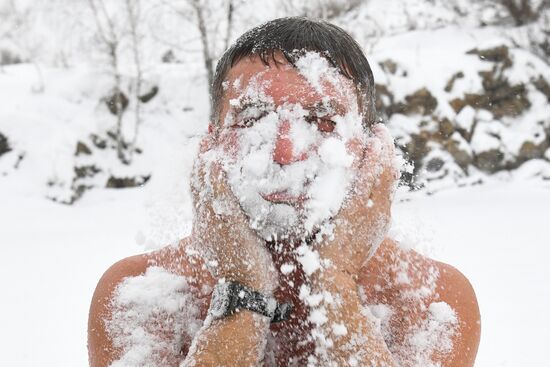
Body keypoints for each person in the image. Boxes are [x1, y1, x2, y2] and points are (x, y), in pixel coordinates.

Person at [88, 17, 480, 367]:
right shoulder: (141, 294)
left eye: (323, 121)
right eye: (254, 119)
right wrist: (242, 288)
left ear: (370, 153)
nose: (284, 152)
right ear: (210, 148)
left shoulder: (432, 301)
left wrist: (336, 285)